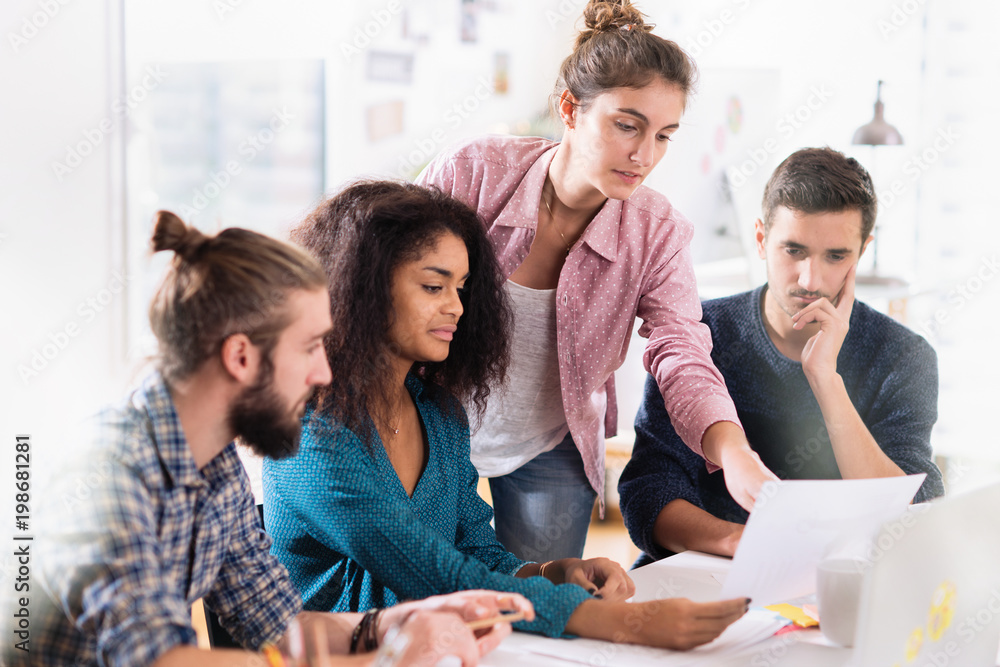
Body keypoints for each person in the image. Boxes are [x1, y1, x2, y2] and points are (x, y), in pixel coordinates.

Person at [13, 210, 532, 667]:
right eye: (309, 347)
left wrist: (400, 620)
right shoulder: (108, 470)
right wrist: (387, 661)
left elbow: (282, 627)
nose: (324, 372)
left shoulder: (216, 468)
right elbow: (160, 660)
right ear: (241, 356)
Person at [262, 180, 748, 652]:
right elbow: (432, 574)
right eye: (433, 286)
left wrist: (550, 572)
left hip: (446, 649)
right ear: (361, 289)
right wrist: (622, 623)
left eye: (462, 287)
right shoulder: (310, 433)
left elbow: (475, 550)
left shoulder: (438, 412)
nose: (455, 307)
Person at [415, 0, 776, 562]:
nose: (643, 155)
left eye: (663, 136)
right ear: (570, 108)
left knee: (542, 608)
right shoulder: (474, 173)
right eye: (627, 126)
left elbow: (680, 349)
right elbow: (389, 282)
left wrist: (731, 449)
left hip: (548, 441)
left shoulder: (656, 232)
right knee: (430, 593)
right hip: (428, 420)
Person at [618, 147, 946, 564]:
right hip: (703, 570)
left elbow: (910, 513)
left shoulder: (903, 356)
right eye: (793, 250)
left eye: (836, 256)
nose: (810, 279)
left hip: (834, 583)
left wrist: (826, 380)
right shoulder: (700, 332)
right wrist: (742, 544)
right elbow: (647, 492)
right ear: (760, 239)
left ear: (862, 252)